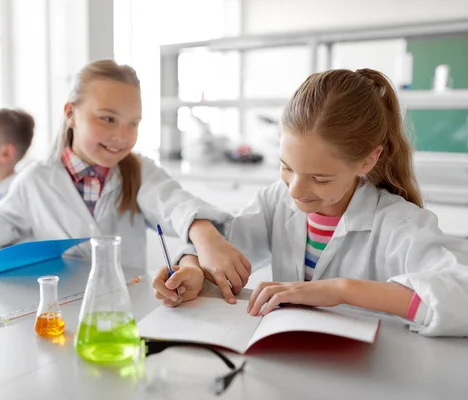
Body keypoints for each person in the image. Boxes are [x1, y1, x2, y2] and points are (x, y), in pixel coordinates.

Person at [153, 68, 468, 336]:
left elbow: (460, 296)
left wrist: (340, 290)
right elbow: (222, 250)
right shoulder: (277, 199)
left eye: (320, 178)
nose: (295, 190)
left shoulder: (399, 224)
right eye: (287, 167)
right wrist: (192, 269)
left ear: (368, 161)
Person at [0, 60, 250, 288]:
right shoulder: (36, 179)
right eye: (108, 119)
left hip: (126, 304)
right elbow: (0, 222)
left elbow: (176, 204)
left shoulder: (138, 171)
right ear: (71, 114)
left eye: (134, 123)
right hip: (60, 307)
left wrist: (206, 235)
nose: (122, 135)